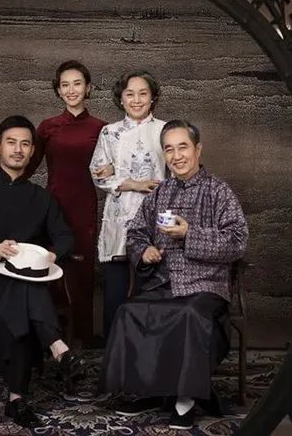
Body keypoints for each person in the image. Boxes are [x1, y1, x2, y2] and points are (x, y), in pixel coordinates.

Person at [98, 120, 248, 430]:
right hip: (163, 282)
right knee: (129, 312)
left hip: (205, 285)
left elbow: (237, 241)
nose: (177, 156)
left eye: (183, 147)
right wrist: (144, 251)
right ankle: (150, 390)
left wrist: (190, 234)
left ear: (198, 149)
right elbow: (136, 232)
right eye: (169, 149)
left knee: (189, 314)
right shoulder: (160, 192)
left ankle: (185, 398)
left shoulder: (219, 191)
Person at [0, 115, 85, 428]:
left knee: (22, 292)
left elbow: (65, 236)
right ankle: (58, 347)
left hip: (21, 283)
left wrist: (52, 253)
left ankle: (16, 400)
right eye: (11, 142)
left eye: (25, 144)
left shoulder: (41, 197)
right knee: (27, 289)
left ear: (32, 151)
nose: (18, 149)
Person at [0, 61, 106, 343]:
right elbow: (25, 165)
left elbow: (113, 168)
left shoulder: (102, 129)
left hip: (84, 207)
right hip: (50, 206)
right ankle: (49, 337)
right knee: (45, 266)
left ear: (88, 88)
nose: (71, 90)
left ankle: (82, 338)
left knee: (82, 271)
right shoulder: (48, 127)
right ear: (58, 90)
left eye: (77, 84)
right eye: (65, 85)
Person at [89, 70, 166, 338]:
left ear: (152, 98)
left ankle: (148, 346)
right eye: (129, 94)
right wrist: (133, 183)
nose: (136, 100)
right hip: (119, 217)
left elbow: (177, 170)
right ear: (120, 98)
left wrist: (118, 170)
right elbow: (97, 173)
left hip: (155, 218)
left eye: (143, 93)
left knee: (151, 286)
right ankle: (114, 346)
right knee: (116, 288)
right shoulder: (109, 132)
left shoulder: (165, 130)